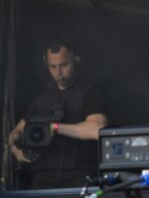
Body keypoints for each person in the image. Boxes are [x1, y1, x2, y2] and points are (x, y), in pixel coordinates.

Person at [7, 42, 108, 188]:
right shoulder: (41, 99)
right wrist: (16, 150)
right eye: (52, 67)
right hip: (41, 179)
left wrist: (54, 127)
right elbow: (14, 133)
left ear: (75, 60)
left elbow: (97, 129)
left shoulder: (90, 94)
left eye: (63, 65)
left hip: (78, 177)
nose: (58, 71)